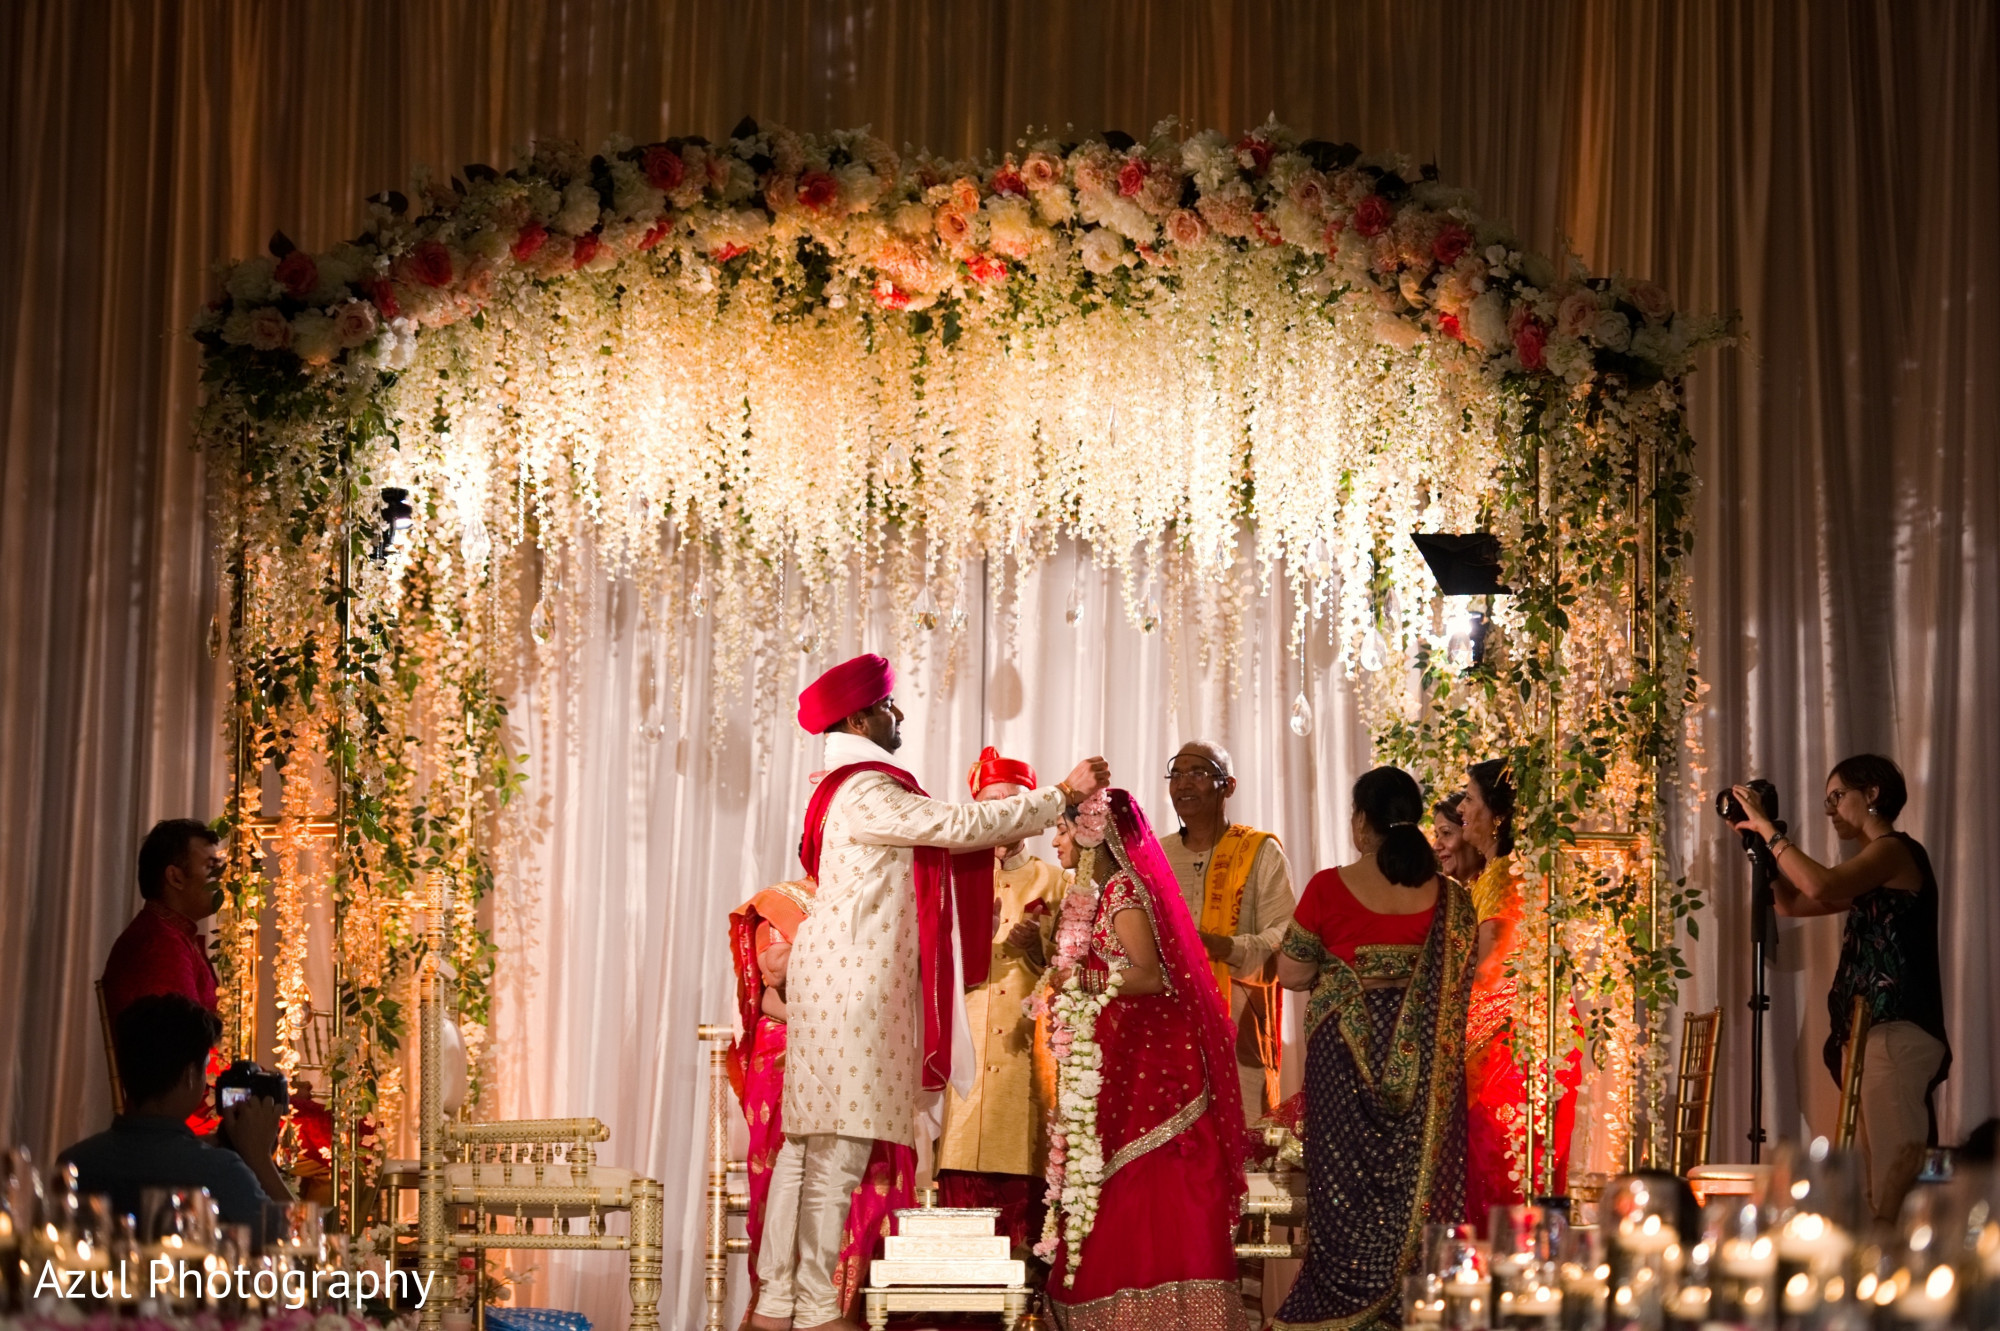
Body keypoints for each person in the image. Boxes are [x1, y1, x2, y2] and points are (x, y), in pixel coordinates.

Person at [776, 653, 1108, 1331]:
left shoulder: (846, 787)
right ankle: (809, 1309)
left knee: (805, 1151)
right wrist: (1061, 799)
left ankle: (780, 1299)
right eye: (889, 708)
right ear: (861, 717)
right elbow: (959, 827)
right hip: (851, 989)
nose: (898, 718)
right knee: (830, 1156)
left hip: (836, 982)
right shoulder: (866, 789)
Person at [1272, 767, 1478, 1330]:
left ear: (1361, 821)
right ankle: (1415, 1308)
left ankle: (1339, 1310)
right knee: (1418, 1181)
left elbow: (1291, 973)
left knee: (1341, 1189)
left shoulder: (1328, 886)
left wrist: (1342, 973)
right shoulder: (1453, 899)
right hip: (1427, 1064)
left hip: (1343, 1056)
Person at [1038, 789, 1250, 1331]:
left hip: (1153, 1067)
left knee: (1153, 1179)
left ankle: (1169, 1314)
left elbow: (1152, 974)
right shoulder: (1099, 893)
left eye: (1062, 829)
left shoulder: (1122, 892)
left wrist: (1080, 979)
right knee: (1115, 1179)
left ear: (1091, 834)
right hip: (1123, 1058)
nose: (1055, 840)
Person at [1727, 754, 1949, 1223]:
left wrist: (1772, 831)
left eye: (1836, 797)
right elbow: (1791, 904)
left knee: (1894, 1180)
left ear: (1872, 794)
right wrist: (1758, 852)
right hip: (1871, 1034)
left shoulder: (1893, 850)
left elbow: (1823, 885)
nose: (1829, 810)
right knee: (1874, 1182)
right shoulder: (1873, 865)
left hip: (1895, 1030)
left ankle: (1906, 1273)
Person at [728, 878, 912, 1330]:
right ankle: (787, 1305)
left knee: (862, 1179)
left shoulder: (871, 899)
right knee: (796, 1166)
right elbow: (775, 972)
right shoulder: (787, 903)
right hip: (791, 1056)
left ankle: (832, 1308)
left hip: (857, 1053)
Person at [934, 746, 1066, 1251]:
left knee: (1024, 1183)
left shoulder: (1057, 880)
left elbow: (1080, 974)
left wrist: (1041, 948)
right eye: (989, 804)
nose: (1000, 816)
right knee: (959, 1171)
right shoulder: (950, 878)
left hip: (1024, 1052)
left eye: (1011, 803)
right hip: (964, 1051)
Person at [1460, 759, 1583, 1229]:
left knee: (1505, 1170)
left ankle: (1507, 1288)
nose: (1462, 809)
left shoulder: (1509, 875)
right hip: (1516, 1040)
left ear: (1500, 816)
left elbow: (1492, 972)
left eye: (1471, 798)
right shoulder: (1501, 872)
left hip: (1513, 1051)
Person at [60, 994, 289, 1233]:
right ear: (190, 1075)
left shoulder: (74, 1163)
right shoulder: (219, 1172)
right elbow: (303, 1254)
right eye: (204, 1068)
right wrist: (260, 1159)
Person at [1158, 740, 1296, 1123]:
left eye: (1198, 773)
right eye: (1177, 774)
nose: (1184, 783)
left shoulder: (1259, 851)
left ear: (1228, 786)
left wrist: (1225, 947)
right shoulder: (1156, 855)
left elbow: (1286, 934)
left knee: (1240, 1150)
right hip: (1167, 1028)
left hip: (1239, 1028)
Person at [101, 819, 226, 1022]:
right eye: (211, 868)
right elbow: (183, 1040)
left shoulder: (172, 934)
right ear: (175, 877)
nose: (221, 879)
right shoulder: (160, 943)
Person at [1432, 792, 1487, 885]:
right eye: (1437, 836)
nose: (1436, 846)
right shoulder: (1456, 896)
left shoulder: (1500, 887)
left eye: (1446, 833)